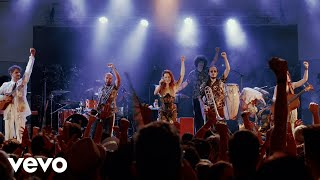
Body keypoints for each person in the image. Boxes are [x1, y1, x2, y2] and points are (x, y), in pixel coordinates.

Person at [179, 47, 220, 132]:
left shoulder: (207, 71)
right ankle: (199, 132)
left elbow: (213, 62)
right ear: (196, 63)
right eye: (199, 62)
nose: (201, 64)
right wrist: (177, 88)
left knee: (209, 116)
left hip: (207, 98)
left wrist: (217, 52)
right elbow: (185, 83)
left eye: (202, 62)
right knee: (198, 117)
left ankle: (210, 132)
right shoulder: (192, 73)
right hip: (196, 98)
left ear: (204, 63)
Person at [0, 48, 36, 143]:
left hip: (20, 110)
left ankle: (21, 150)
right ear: (11, 73)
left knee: (21, 133)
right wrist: (4, 98)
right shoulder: (5, 85)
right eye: (16, 72)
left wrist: (31, 57)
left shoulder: (22, 83)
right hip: (9, 111)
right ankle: (9, 150)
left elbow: (28, 71)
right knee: (8, 134)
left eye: (19, 72)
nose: (19, 74)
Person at [272, 61, 309, 131]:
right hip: (284, 109)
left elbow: (304, 80)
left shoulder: (292, 85)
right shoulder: (278, 87)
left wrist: (306, 69)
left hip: (293, 108)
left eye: (288, 74)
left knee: (293, 124)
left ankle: (293, 138)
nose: (287, 76)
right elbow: (274, 98)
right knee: (285, 125)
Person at [91, 63, 121, 139]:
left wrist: (113, 68)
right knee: (98, 133)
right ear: (104, 78)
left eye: (110, 78)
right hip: (101, 113)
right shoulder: (100, 89)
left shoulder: (114, 87)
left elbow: (118, 79)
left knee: (108, 134)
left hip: (110, 113)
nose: (108, 79)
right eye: (107, 78)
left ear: (112, 79)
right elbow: (99, 102)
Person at [199, 52, 230, 120]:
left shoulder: (221, 81)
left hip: (220, 109)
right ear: (208, 73)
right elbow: (200, 97)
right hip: (209, 110)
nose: (213, 73)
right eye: (211, 71)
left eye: (215, 71)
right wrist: (203, 105)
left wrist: (225, 58)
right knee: (210, 128)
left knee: (221, 127)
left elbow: (227, 69)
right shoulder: (205, 84)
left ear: (217, 73)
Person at [154, 56, 185, 123]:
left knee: (171, 126)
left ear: (171, 77)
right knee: (163, 126)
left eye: (169, 77)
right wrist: (160, 84)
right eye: (165, 77)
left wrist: (182, 62)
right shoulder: (160, 87)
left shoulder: (174, 86)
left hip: (172, 111)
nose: (167, 79)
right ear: (163, 78)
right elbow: (155, 93)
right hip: (163, 111)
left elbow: (182, 76)